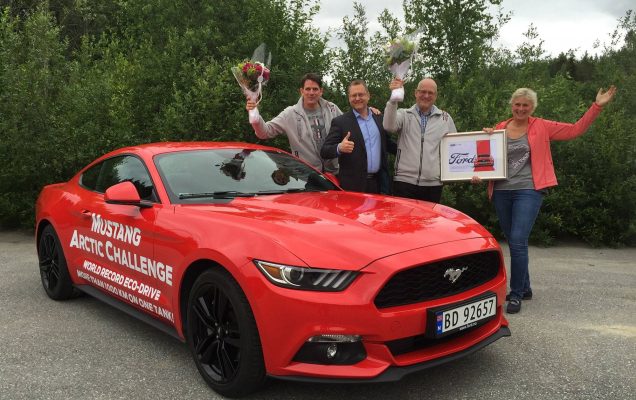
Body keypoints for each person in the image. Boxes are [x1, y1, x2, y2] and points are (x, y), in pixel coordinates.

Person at [473, 85, 617, 314]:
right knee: (513, 241)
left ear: (532, 107)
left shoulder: (541, 126)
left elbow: (575, 130)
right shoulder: (500, 127)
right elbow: (485, 158)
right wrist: (478, 171)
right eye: (517, 104)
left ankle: (516, 293)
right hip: (501, 191)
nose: (521, 108)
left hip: (529, 189)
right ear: (512, 105)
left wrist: (596, 106)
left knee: (518, 239)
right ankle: (526, 287)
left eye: (525, 105)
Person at [246, 73, 342, 173]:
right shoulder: (290, 113)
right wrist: (255, 116)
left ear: (321, 91)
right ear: (302, 91)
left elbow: (347, 128)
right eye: (308, 89)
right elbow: (265, 132)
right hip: (307, 174)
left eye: (315, 89)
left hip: (335, 172)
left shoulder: (331, 109)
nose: (311, 92)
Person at [383, 77, 457, 203]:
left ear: (436, 95)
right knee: (404, 223)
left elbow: (456, 148)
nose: (426, 95)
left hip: (433, 185)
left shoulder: (445, 118)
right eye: (423, 92)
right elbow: (388, 126)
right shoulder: (404, 114)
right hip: (404, 182)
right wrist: (393, 100)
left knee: (428, 223)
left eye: (430, 93)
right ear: (416, 93)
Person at [320, 79, 393, 194]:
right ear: (349, 98)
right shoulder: (340, 122)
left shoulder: (379, 118)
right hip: (353, 187)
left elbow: (387, 144)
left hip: (379, 184)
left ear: (368, 96)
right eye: (354, 95)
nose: (357, 98)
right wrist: (339, 148)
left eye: (361, 94)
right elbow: (324, 151)